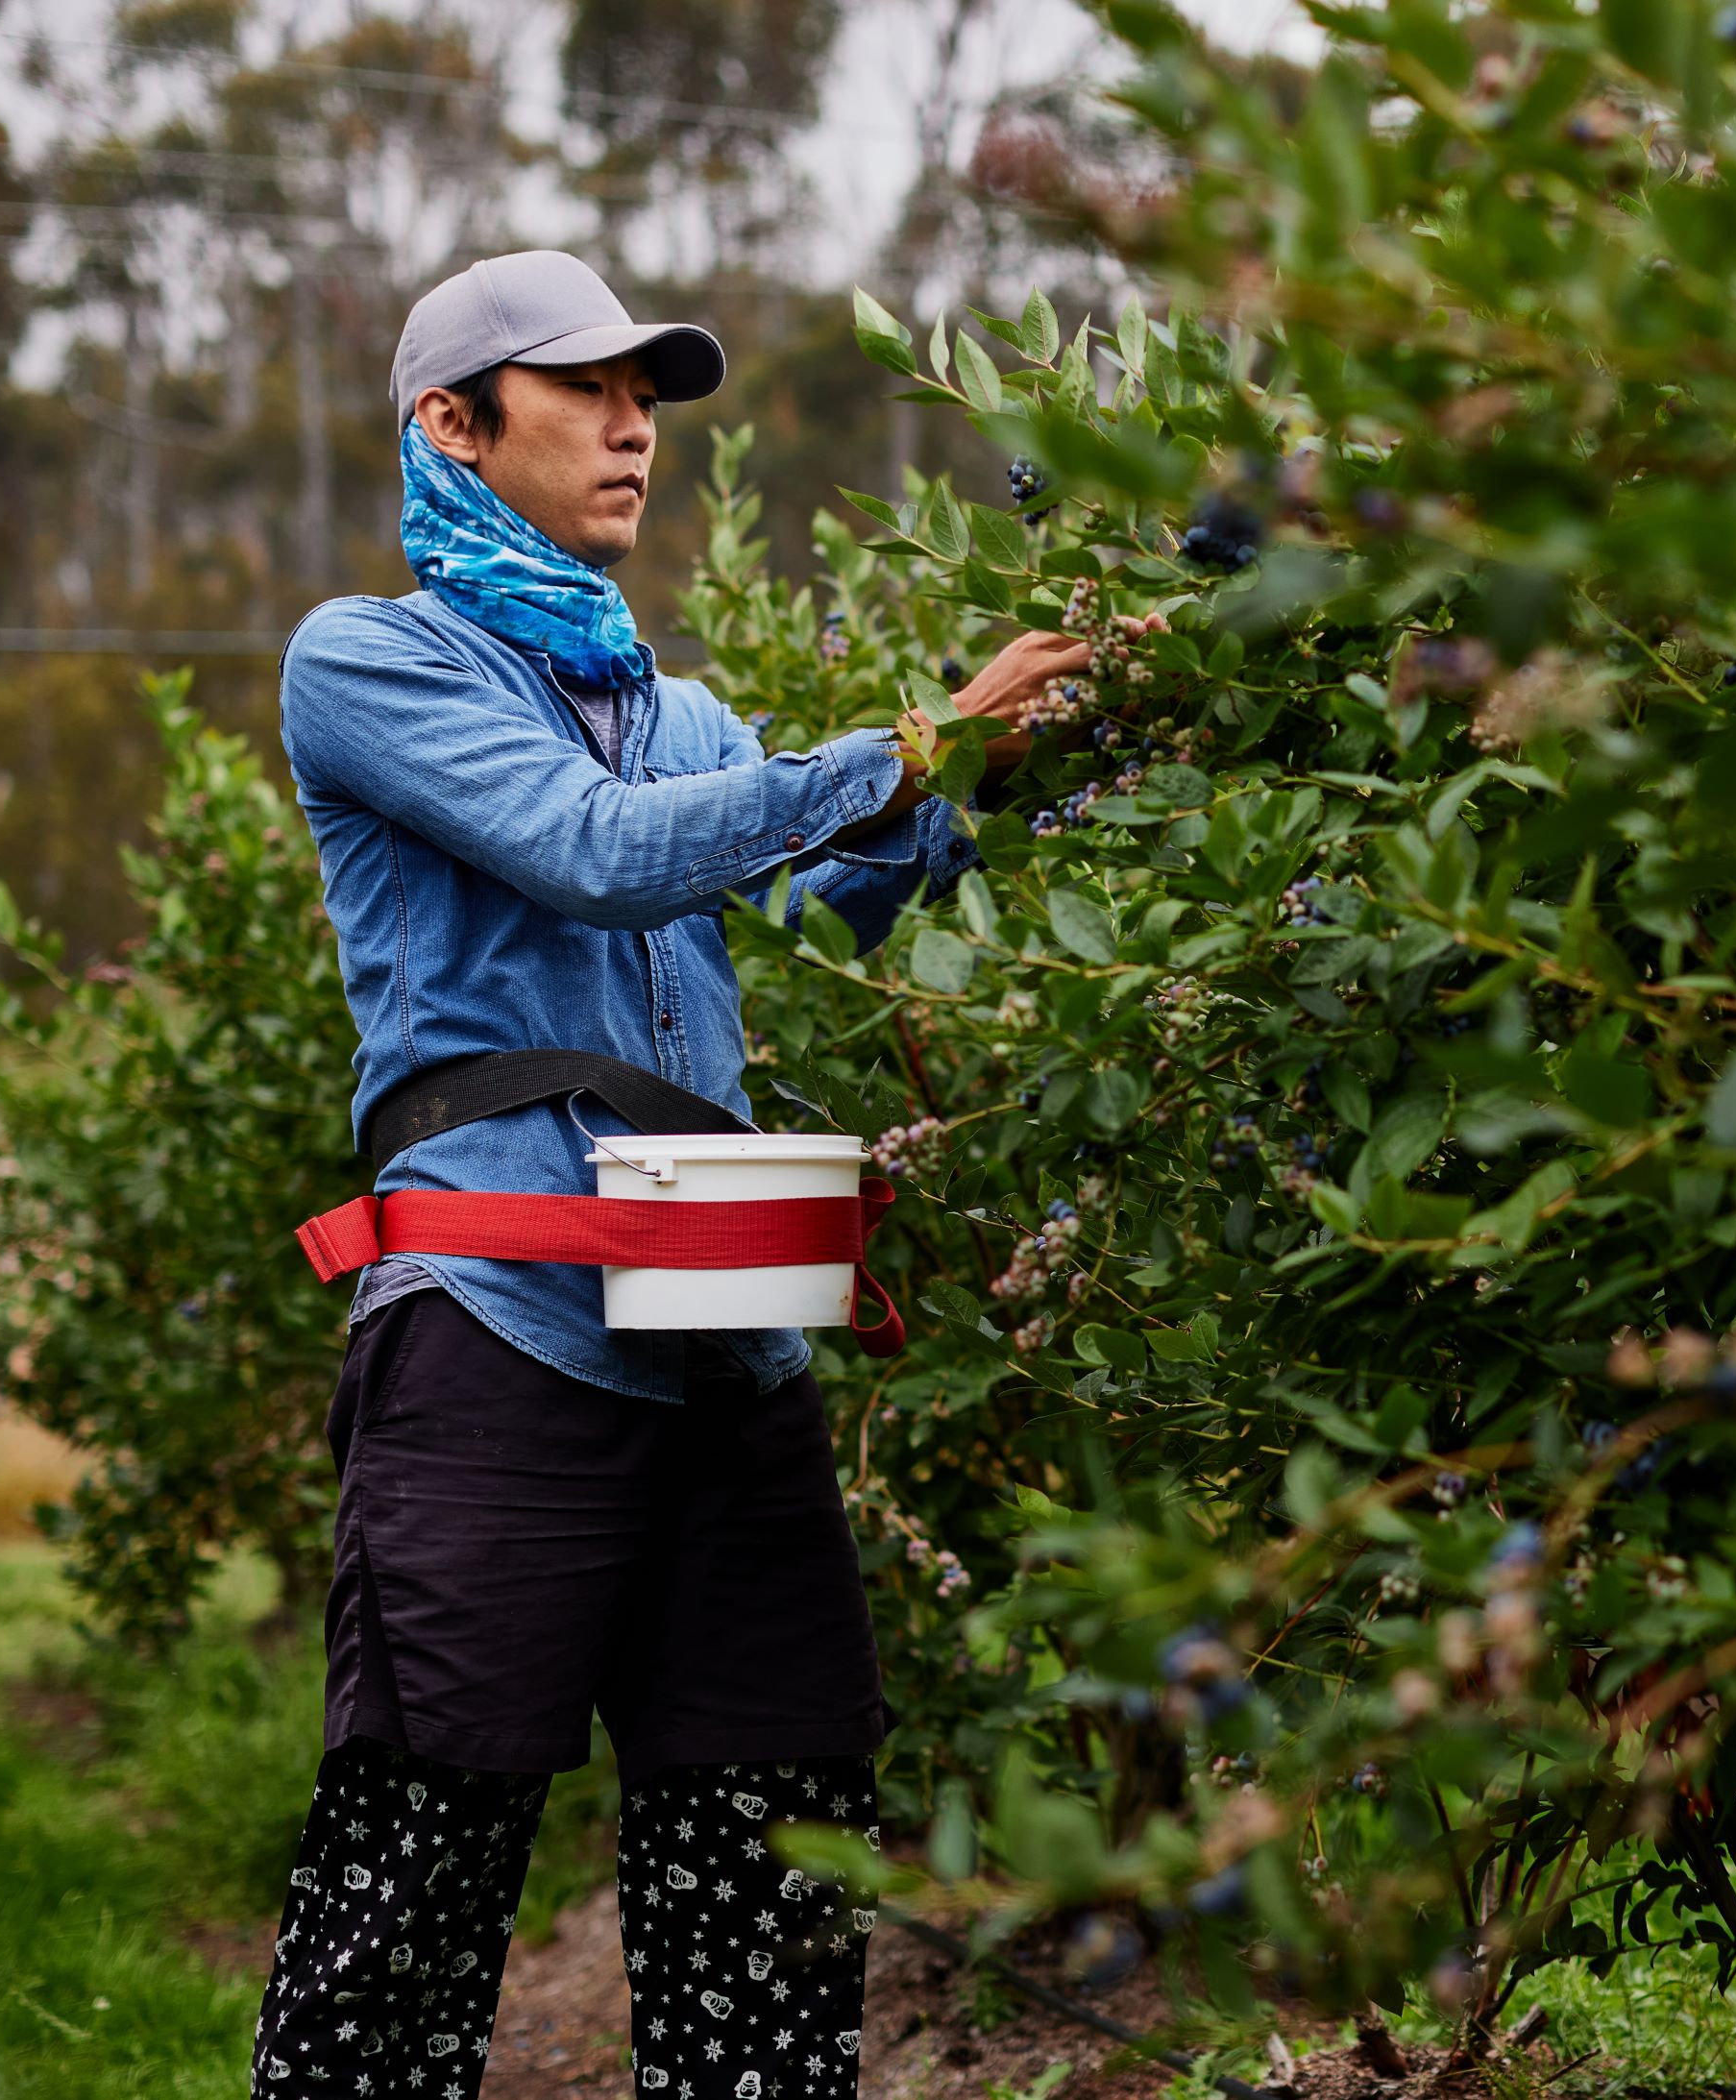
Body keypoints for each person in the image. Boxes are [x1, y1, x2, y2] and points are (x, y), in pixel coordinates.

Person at [249, 250, 1114, 2098]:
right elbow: (594, 854)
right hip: (495, 1333)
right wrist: (901, 745)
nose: (636, 424)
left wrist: (1014, 767)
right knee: (417, 1880)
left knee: (777, 1853)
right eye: (584, 389)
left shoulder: (688, 719)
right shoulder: (369, 661)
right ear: (451, 427)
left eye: (651, 393)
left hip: (724, 1343)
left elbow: (833, 885)